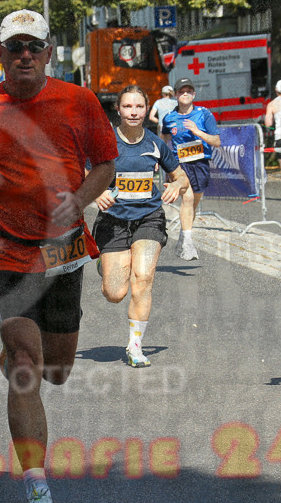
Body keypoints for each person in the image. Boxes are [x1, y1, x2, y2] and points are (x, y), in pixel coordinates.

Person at [0, 10, 116, 503]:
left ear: (48, 54)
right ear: (0, 53)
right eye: (14, 46)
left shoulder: (79, 101)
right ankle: (37, 495)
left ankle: (17, 352)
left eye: (33, 47)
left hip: (63, 248)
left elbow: (106, 165)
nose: (23, 54)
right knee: (27, 364)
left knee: (58, 369)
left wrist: (80, 201)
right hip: (6, 248)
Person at [93, 85, 189, 367]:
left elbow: (181, 175)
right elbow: (83, 172)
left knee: (143, 280)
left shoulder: (156, 144)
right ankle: (105, 265)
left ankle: (135, 346)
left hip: (149, 218)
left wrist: (177, 185)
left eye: (139, 107)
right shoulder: (106, 142)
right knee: (115, 293)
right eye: (127, 107)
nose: (133, 112)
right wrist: (97, 192)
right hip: (113, 221)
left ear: (147, 110)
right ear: (118, 110)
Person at [159, 77, 220, 261]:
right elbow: (163, 140)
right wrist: (158, 158)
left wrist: (198, 132)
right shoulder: (169, 117)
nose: (185, 94)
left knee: (193, 203)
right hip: (179, 165)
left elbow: (216, 141)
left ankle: (183, 239)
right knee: (188, 197)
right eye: (181, 91)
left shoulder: (204, 114)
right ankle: (187, 242)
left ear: (193, 94)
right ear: (176, 95)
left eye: (188, 91)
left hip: (200, 163)